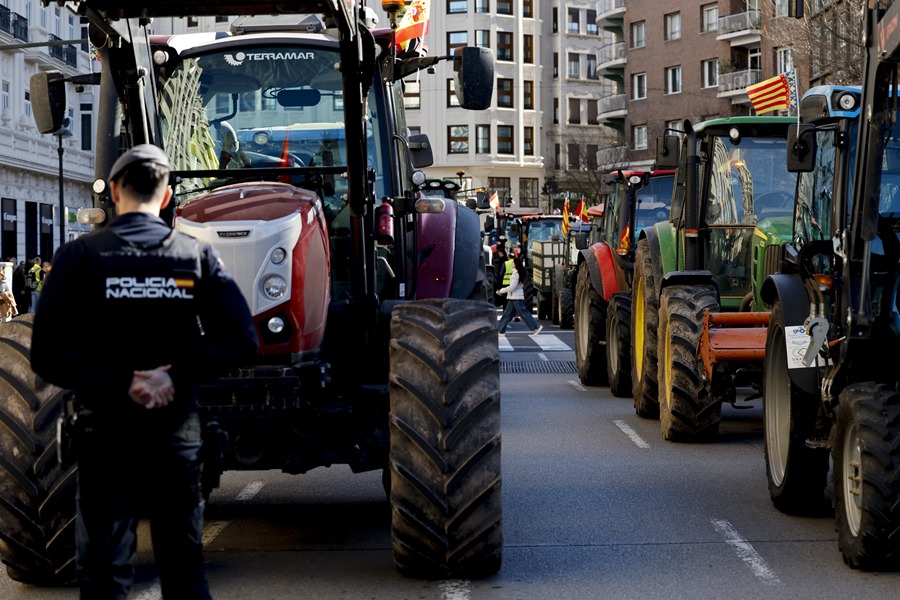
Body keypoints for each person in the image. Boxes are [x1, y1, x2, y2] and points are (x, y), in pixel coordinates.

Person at [31, 144, 259, 600]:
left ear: (114, 191)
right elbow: (240, 341)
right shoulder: (194, 257)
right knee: (184, 570)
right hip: (175, 433)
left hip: (105, 434)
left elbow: (47, 352)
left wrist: (121, 383)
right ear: (169, 195)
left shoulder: (81, 257)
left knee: (103, 572)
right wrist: (169, 379)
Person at [496, 255, 543, 336]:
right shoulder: (516, 273)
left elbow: (512, 287)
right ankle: (500, 330)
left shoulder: (515, 274)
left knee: (523, 313)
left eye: (513, 262)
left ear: (515, 264)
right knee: (507, 314)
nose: (511, 264)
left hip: (516, 297)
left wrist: (501, 291)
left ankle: (536, 327)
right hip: (513, 297)